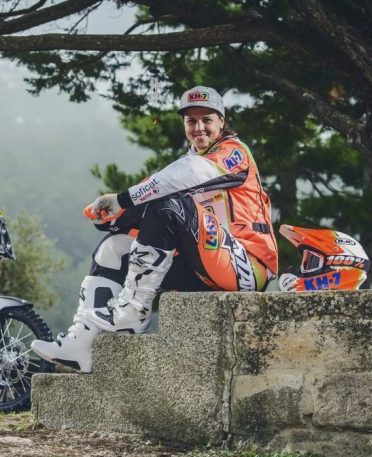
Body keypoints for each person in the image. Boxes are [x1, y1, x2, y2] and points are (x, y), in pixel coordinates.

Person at [31, 86, 278, 373]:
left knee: (166, 203)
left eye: (207, 120)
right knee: (114, 247)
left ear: (221, 122)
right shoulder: (184, 165)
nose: (199, 127)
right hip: (204, 269)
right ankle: (80, 343)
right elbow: (154, 189)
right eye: (191, 121)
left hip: (247, 268)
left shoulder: (234, 152)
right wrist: (112, 215)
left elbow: (183, 177)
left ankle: (134, 311)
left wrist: (123, 199)